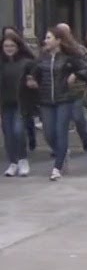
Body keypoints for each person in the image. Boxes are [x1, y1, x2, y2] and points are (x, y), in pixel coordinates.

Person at [29, 25, 87, 180]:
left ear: (58, 41)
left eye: (49, 38)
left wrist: (76, 75)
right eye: (46, 38)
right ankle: (62, 154)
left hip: (64, 99)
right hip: (45, 100)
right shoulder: (42, 57)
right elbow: (34, 72)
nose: (46, 40)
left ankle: (57, 168)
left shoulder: (69, 57)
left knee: (60, 131)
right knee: (49, 134)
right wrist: (31, 80)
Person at [1, 33, 37, 176]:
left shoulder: (26, 62)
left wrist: (32, 82)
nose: (8, 48)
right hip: (5, 104)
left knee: (18, 131)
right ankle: (13, 162)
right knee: (8, 134)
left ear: (18, 47)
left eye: (12, 46)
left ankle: (23, 160)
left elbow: (35, 76)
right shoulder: (1, 63)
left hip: (21, 103)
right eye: (6, 46)